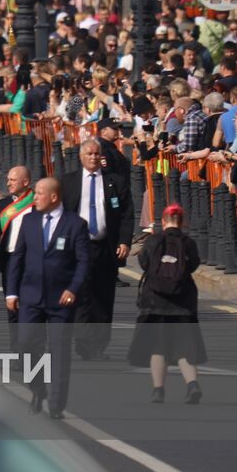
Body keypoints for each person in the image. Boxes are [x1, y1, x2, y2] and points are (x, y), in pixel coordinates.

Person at [7, 177, 92, 420]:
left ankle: (56, 405)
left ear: (54, 197)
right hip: (31, 296)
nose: (35, 198)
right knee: (24, 345)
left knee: (59, 352)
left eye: (39, 194)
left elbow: (84, 262)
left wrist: (73, 289)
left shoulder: (75, 224)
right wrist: (12, 292)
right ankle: (37, 388)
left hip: (60, 299)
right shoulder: (29, 221)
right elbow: (18, 258)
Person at [60, 138, 134, 360]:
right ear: (81, 157)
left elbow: (126, 214)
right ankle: (83, 342)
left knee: (103, 297)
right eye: (89, 154)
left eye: (96, 154)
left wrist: (124, 241)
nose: (93, 158)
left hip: (105, 247)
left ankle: (99, 345)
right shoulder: (68, 182)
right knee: (81, 295)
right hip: (78, 247)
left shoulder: (115, 182)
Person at [128, 205, 205, 404]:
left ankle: (158, 390)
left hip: (155, 301)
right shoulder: (188, 243)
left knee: (158, 347)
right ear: (183, 222)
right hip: (183, 301)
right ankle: (192, 384)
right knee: (185, 347)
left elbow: (144, 263)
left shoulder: (153, 241)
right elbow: (193, 265)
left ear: (163, 221)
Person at [0, 165, 34, 347]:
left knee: (31, 309)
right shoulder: (4, 204)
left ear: (25, 182)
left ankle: (31, 350)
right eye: (8, 179)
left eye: (13, 180)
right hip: (10, 261)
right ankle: (17, 352)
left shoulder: (38, 202)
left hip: (33, 263)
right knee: (12, 308)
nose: (8, 183)